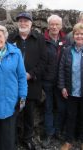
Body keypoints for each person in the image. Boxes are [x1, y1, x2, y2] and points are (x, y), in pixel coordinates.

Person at [8, 12, 47, 150]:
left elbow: (44, 61)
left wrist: (30, 74)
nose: (23, 23)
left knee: (29, 113)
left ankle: (27, 138)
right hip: (13, 83)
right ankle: (13, 139)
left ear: (31, 23)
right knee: (14, 112)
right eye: (20, 21)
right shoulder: (11, 38)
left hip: (31, 83)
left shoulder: (40, 39)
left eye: (26, 21)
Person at [42, 14, 68, 148]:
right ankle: (49, 133)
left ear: (61, 26)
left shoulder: (66, 40)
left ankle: (58, 131)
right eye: (52, 24)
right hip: (47, 81)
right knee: (48, 108)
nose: (54, 27)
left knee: (62, 108)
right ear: (48, 26)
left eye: (57, 24)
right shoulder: (43, 40)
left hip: (61, 81)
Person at [58, 22, 83, 150]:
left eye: (82, 34)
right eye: (77, 34)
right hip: (71, 90)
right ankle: (69, 141)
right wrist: (62, 87)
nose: (79, 36)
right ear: (73, 36)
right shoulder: (67, 51)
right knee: (70, 116)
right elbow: (61, 69)